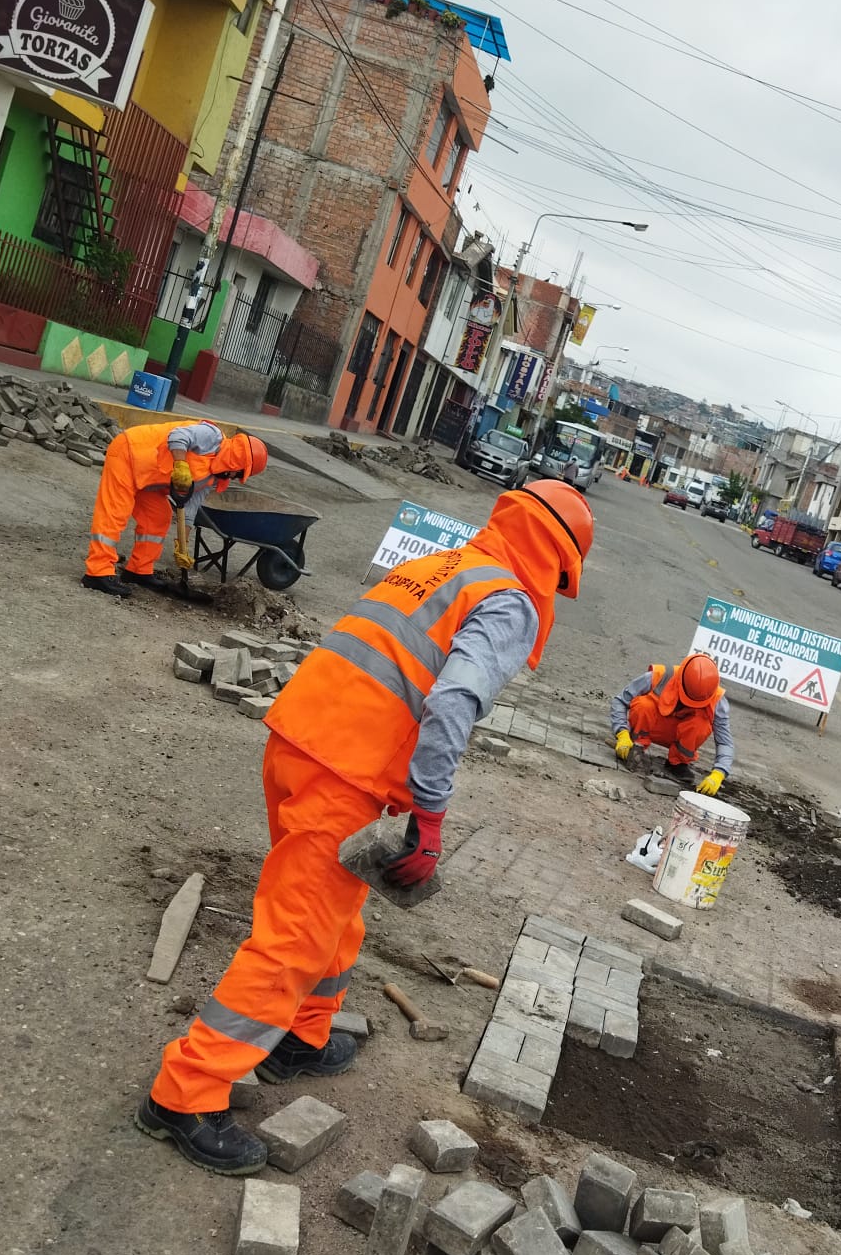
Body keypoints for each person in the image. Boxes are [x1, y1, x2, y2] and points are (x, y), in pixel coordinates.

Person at [136, 480, 594, 1174]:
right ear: (557, 563)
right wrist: (430, 813)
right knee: (295, 934)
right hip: (342, 773)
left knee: (335, 912)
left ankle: (303, 1036)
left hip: (300, 739)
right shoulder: (508, 601)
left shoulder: (442, 566)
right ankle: (184, 1095)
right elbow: (452, 703)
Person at [82, 421, 268, 597]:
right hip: (129, 453)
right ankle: (97, 573)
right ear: (238, 461)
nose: (236, 477)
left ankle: (139, 570)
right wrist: (181, 464)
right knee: (115, 512)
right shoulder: (212, 437)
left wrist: (183, 546)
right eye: (241, 473)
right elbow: (178, 436)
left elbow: (190, 509)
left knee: (160, 516)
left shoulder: (213, 478)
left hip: (148, 477)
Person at [610, 652, 734, 794]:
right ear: (681, 681)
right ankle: (634, 748)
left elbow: (725, 742)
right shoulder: (660, 676)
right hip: (654, 726)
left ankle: (677, 763)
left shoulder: (717, 700)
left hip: (682, 735)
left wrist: (719, 773)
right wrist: (622, 733)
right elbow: (620, 701)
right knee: (643, 705)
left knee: (701, 724)